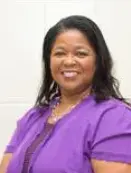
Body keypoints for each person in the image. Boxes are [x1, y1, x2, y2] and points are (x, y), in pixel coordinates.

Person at [0, 15, 131, 173]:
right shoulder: (33, 117)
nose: (68, 61)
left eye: (81, 54)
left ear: (98, 61)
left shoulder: (114, 117)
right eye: (60, 53)